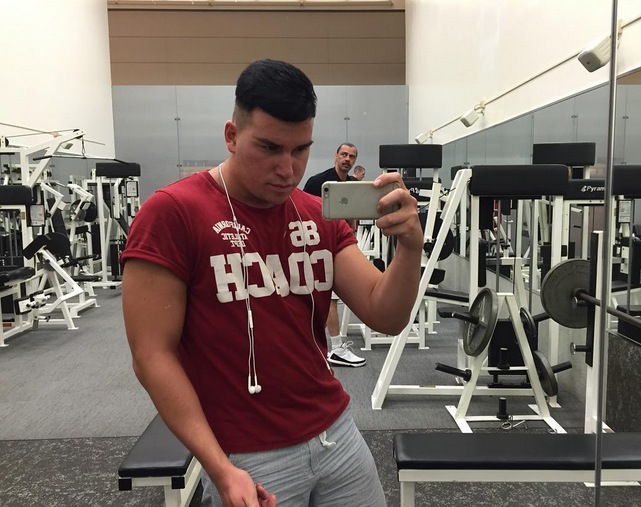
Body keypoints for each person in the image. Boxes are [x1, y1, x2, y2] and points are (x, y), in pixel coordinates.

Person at [121, 59, 423, 507]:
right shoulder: (173, 213)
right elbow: (152, 356)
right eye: (269, 148)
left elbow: (386, 315)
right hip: (248, 454)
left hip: (336, 433)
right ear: (231, 136)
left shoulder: (318, 214)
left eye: (300, 150)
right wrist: (220, 467)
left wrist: (410, 246)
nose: (288, 168)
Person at [303, 144, 366, 367]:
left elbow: (354, 214)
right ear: (336, 156)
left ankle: (316, 346)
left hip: (342, 244)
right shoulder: (318, 182)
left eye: (352, 156)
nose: (347, 159)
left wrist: (352, 233)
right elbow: (303, 211)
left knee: (329, 296)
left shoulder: (354, 184)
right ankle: (336, 348)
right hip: (318, 244)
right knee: (328, 296)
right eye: (344, 155)